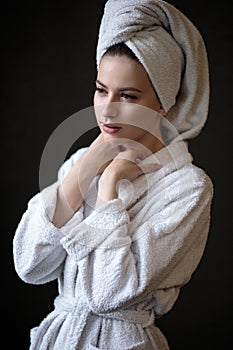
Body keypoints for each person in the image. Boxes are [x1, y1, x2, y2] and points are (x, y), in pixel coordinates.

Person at [13, 0, 214, 349]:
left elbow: (109, 294)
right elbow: (30, 265)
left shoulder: (188, 188)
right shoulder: (78, 162)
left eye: (128, 95)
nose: (107, 110)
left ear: (162, 102)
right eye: (101, 89)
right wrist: (90, 164)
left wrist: (108, 190)